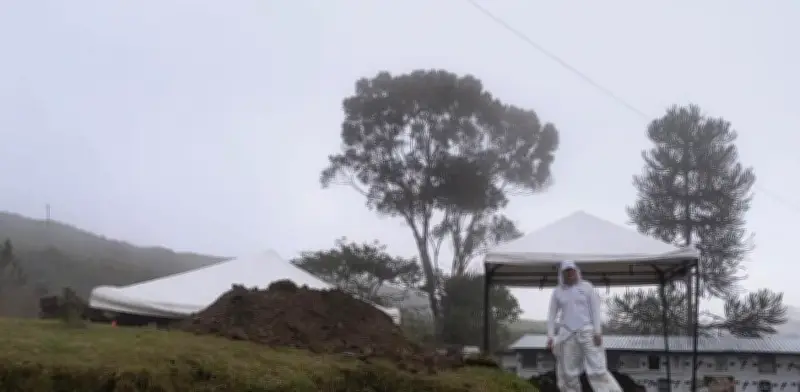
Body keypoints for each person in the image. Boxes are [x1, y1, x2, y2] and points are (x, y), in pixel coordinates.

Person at [547, 260, 621, 392]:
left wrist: (597, 332)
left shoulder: (587, 287)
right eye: (566, 271)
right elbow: (552, 315)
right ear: (562, 274)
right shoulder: (557, 292)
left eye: (572, 270)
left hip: (588, 332)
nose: (570, 273)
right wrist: (550, 336)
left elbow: (595, 310)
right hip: (567, 334)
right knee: (569, 373)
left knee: (597, 369)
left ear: (576, 271)